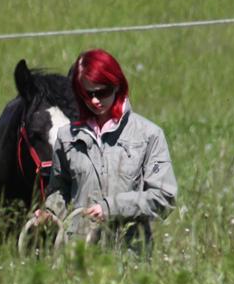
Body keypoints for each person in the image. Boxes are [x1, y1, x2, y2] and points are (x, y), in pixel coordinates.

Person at [37, 49, 177, 251]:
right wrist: (49, 212)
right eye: (87, 94)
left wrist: (112, 208)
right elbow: (59, 189)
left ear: (117, 86)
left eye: (102, 92)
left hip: (130, 256)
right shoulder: (67, 137)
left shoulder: (149, 135)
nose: (95, 101)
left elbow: (164, 196)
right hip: (80, 256)